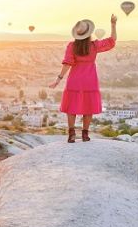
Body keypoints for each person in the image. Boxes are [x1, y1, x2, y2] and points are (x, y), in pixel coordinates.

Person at [49, 14, 117, 143]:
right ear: (89, 33)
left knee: (71, 108)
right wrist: (113, 25)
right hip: (90, 79)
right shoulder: (94, 45)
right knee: (88, 107)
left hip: (74, 79)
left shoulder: (71, 46)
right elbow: (112, 41)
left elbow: (67, 64)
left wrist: (58, 79)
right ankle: (85, 135)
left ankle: (72, 134)